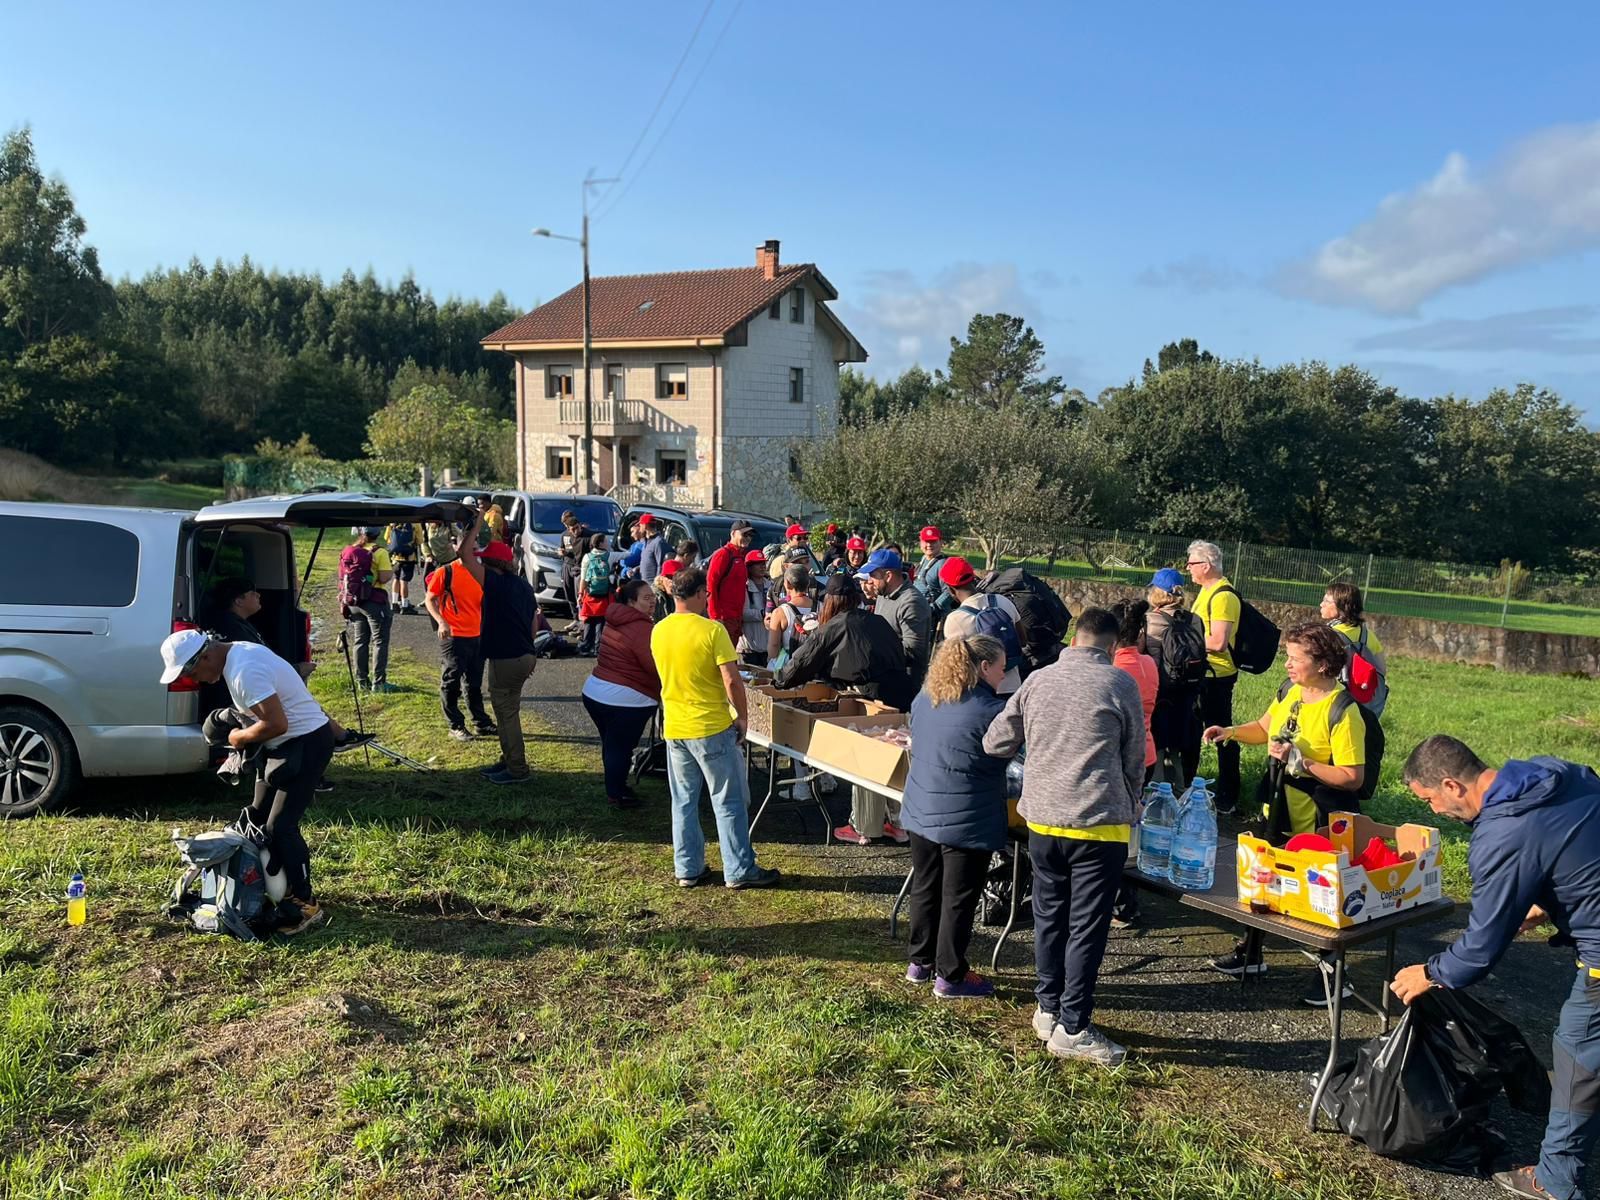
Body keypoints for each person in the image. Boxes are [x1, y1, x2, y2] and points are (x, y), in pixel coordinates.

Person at [1389, 736, 1600, 1200]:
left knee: (1577, 1055)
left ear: (1452, 785)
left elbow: (1478, 952)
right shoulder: (1553, 775)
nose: (1435, 812)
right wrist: (1549, 902)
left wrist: (1427, 972)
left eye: (1431, 800)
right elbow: (1576, 843)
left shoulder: (1502, 834)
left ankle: (1556, 1180)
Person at [983, 607, 1144, 1068]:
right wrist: (1133, 799)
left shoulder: (1037, 680)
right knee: (1087, 927)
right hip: (1098, 823)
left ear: (1074, 639)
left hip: (1042, 821)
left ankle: (1047, 1007)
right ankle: (1073, 1026)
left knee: (1049, 917)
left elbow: (995, 742)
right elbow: (1135, 756)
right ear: (1112, 647)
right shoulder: (1119, 684)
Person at [1202, 621, 1366, 997]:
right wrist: (1229, 731)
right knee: (1263, 879)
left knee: (1321, 898)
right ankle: (1252, 952)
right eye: (1287, 658)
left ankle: (1332, 977)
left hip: (1318, 819)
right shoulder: (1291, 691)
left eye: (1296, 659)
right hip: (1275, 806)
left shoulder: (1342, 710)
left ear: (1323, 664)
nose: (1288, 665)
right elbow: (1264, 727)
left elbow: (1352, 777)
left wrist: (1303, 762)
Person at [158, 629, 337, 934]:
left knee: (280, 827)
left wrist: (237, 736)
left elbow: (276, 723)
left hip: (305, 744)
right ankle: (274, 888)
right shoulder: (237, 652)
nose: (196, 680)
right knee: (256, 818)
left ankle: (305, 906)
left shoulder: (244, 670)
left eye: (192, 672)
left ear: (205, 655)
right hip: (284, 746)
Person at [650, 566, 781, 889]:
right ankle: (738, 868)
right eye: (705, 594)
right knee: (728, 801)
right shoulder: (712, 631)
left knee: (683, 800)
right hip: (710, 726)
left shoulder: (659, 630)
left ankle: (687, 867)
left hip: (676, 726)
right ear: (697, 595)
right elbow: (731, 679)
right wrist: (742, 716)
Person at [901, 635, 1010, 1000]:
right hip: (967, 818)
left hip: (922, 809)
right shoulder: (991, 711)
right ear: (983, 668)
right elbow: (1006, 756)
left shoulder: (926, 698)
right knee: (958, 898)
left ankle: (920, 962)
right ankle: (951, 974)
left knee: (926, 887)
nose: (1004, 672)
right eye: (1000, 666)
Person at [775, 574, 913, 844]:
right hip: (903, 696)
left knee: (867, 762)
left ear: (830, 600)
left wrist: (779, 680)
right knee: (896, 764)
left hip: (870, 700)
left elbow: (799, 666)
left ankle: (864, 826)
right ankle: (899, 824)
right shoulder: (878, 621)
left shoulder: (834, 627)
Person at [582, 577, 661, 808]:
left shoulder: (614, 619)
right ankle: (617, 794)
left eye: (653, 596)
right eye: (646, 598)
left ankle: (616, 786)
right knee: (620, 748)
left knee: (613, 745)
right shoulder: (642, 628)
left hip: (596, 691)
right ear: (631, 601)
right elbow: (654, 665)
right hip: (626, 699)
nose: (653, 601)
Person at [423, 511, 495, 742]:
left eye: (473, 545)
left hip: (478, 635)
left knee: (473, 684)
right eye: (466, 544)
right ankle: (455, 725)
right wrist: (442, 621)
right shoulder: (446, 571)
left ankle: (480, 723)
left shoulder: (482, 572)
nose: (471, 549)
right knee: (451, 681)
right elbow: (429, 599)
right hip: (453, 636)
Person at [1108, 598, 1159, 929]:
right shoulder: (1148, 664)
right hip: (1148, 752)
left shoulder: (1113, 670)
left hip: (1120, 756)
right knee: (1132, 832)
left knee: (1116, 834)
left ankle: (1119, 904)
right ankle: (1129, 903)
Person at [1186, 539, 1241, 814]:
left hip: (1217, 676)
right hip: (1202, 672)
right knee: (1195, 729)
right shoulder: (1206, 592)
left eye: (1192, 563)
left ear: (1205, 566)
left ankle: (1228, 795)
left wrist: (1185, 639)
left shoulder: (1223, 596)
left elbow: (1219, 641)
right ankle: (1191, 785)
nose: (1188, 568)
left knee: (1222, 732)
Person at [477, 541, 538, 785]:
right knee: (508, 711)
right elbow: (534, 625)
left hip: (506, 658)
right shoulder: (523, 585)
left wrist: (478, 520)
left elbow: (463, 556)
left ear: (492, 564)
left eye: (484, 560)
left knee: (506, 714)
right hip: (524, 655)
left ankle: (517, 768)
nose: (480, 564)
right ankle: (510, 759)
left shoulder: (496, 583)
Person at [1144, 568, 1204, 788]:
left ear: (1157, 592)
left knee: (1157, 745)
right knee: (1177, 747)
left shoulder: (1150, 620)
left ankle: (1156, 793)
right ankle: (1179, 789)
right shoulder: (1195, 620)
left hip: (1159, 691)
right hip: (1187, 693)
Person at [939, 556, 1024, 694]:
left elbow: (955, 663)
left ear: (950, 590)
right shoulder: (1003, 601)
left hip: (981, 694)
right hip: (1013, 687)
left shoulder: (955, 619)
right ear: (973, 578)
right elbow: (1023, 640)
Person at [864, 548, 932, 693]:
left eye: (873, 575)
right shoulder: (883, 594)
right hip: (882, 678)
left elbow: (913, 651)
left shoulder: (912, 603)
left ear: (888, 576)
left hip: (903, 687)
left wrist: (873, 651)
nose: (869, 580)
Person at [343, 527, 394, 694]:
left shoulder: (351, 550)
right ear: (377, 534)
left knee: (360, 641)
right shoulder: (379, 552)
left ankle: (361, 681)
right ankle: (379, 683)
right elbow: (384, 577)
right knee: (380, 641)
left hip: (354, 602)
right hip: (374, 601)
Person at [705, 519, 756, 643]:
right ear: (733, 534)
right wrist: (715, 617)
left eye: (750, 535)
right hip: (724, 618)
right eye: (744, 534)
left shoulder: (740, 556)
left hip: (735, 618)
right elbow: (711, 586)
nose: (748, 538)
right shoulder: (723, 554)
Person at [765, 564, 816, 670]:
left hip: (790, 667)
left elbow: (774, 645)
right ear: (808, 583)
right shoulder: (821, 607)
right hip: (815, 665)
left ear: (787, 584)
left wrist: (771, 663)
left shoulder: (780, 612)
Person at [577, 533, 613, 656]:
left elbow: (583, 578)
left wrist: (580, 593)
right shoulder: (609, 556)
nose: (608, 543)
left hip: (590, 595)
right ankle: (598, 648)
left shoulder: (587, 557)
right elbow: (627, 554)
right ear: (601, 543)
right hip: (603, 596)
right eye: (606, 541)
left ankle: (586, 646)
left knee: (588, 621)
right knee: (600, 622)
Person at [738, 550, 770, 667]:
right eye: (758, 563)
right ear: (749, 567)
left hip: (768, 648)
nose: (762, 566)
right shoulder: (743, 587)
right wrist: (762, 613)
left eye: (763, 563)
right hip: (748, 648)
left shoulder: (771, 586)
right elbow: (742, 613)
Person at [386, 522, 422, 615]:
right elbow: (420, 540)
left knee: (396, 579)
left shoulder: (392, 523)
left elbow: (386, 538)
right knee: (404, 581)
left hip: (395, 557)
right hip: (409, 557)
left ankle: (394, 604)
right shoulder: (415, 524)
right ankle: (405, 605)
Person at [559, 510, 590, 614]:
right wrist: (561, 552)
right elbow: (562, 548)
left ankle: (582, 619)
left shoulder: (585, 534)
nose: (566, 525)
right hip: (567, 565)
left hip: (579, 567)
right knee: (569, 593)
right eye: (564, 523)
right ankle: (575, 618)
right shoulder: (564, 535)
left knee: (580, 594)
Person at [914, 526, 951, 608]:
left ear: (941, 542)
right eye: (926, 541)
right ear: (920, 543)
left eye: (933, 541)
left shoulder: (943, 564)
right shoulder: (924, 559)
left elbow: (949, 591)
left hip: (933, 615)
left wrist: (933, 609)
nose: (929, 545)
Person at [636, 515, 668, 583]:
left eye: (640, 525)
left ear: (645, 526)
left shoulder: (658, 542)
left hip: (652, 585)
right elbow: (648, 561)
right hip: (644, 583)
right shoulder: (646, 541)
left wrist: (656, 585)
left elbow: (660, 565)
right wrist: (636, 568)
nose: (639, 528)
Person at [653, 558, 681, 623]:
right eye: (669, 577)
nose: (672, 582)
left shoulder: (684, 595)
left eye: (677, 578)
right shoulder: (654, 597)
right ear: (662, 578)